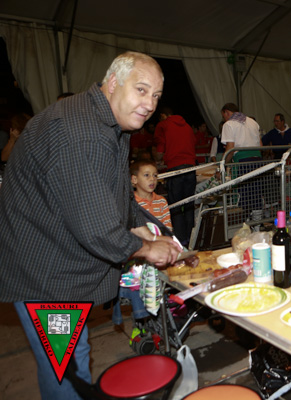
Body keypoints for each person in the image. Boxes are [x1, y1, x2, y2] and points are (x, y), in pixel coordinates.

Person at [0, 51, 181, 399]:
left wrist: (139, 225)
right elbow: (97, 229)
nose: (150, 104)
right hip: (47, 279)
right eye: (141, 90)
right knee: (67, 372)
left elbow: (112, 191)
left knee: (70, 359)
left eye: (156, 96)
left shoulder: (106, 121)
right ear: (113, 83)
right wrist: (147, 249)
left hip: (58, 265)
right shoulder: (82, 132)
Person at [154, 106, 197, 246]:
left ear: (163, 115)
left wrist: (158, 159)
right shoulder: (188, 126)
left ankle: (181, 242)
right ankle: (191, 239)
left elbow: (160, 149)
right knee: (189, 205)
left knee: (176, 206)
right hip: (190, 168)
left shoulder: (163, 125)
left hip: (175, 169)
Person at [131, 160, 172, 230]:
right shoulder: (130, 202)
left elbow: (168, 227)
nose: (152, 179)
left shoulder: (161, 201)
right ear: (134, 179)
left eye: (155, 175)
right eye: (146, 175)